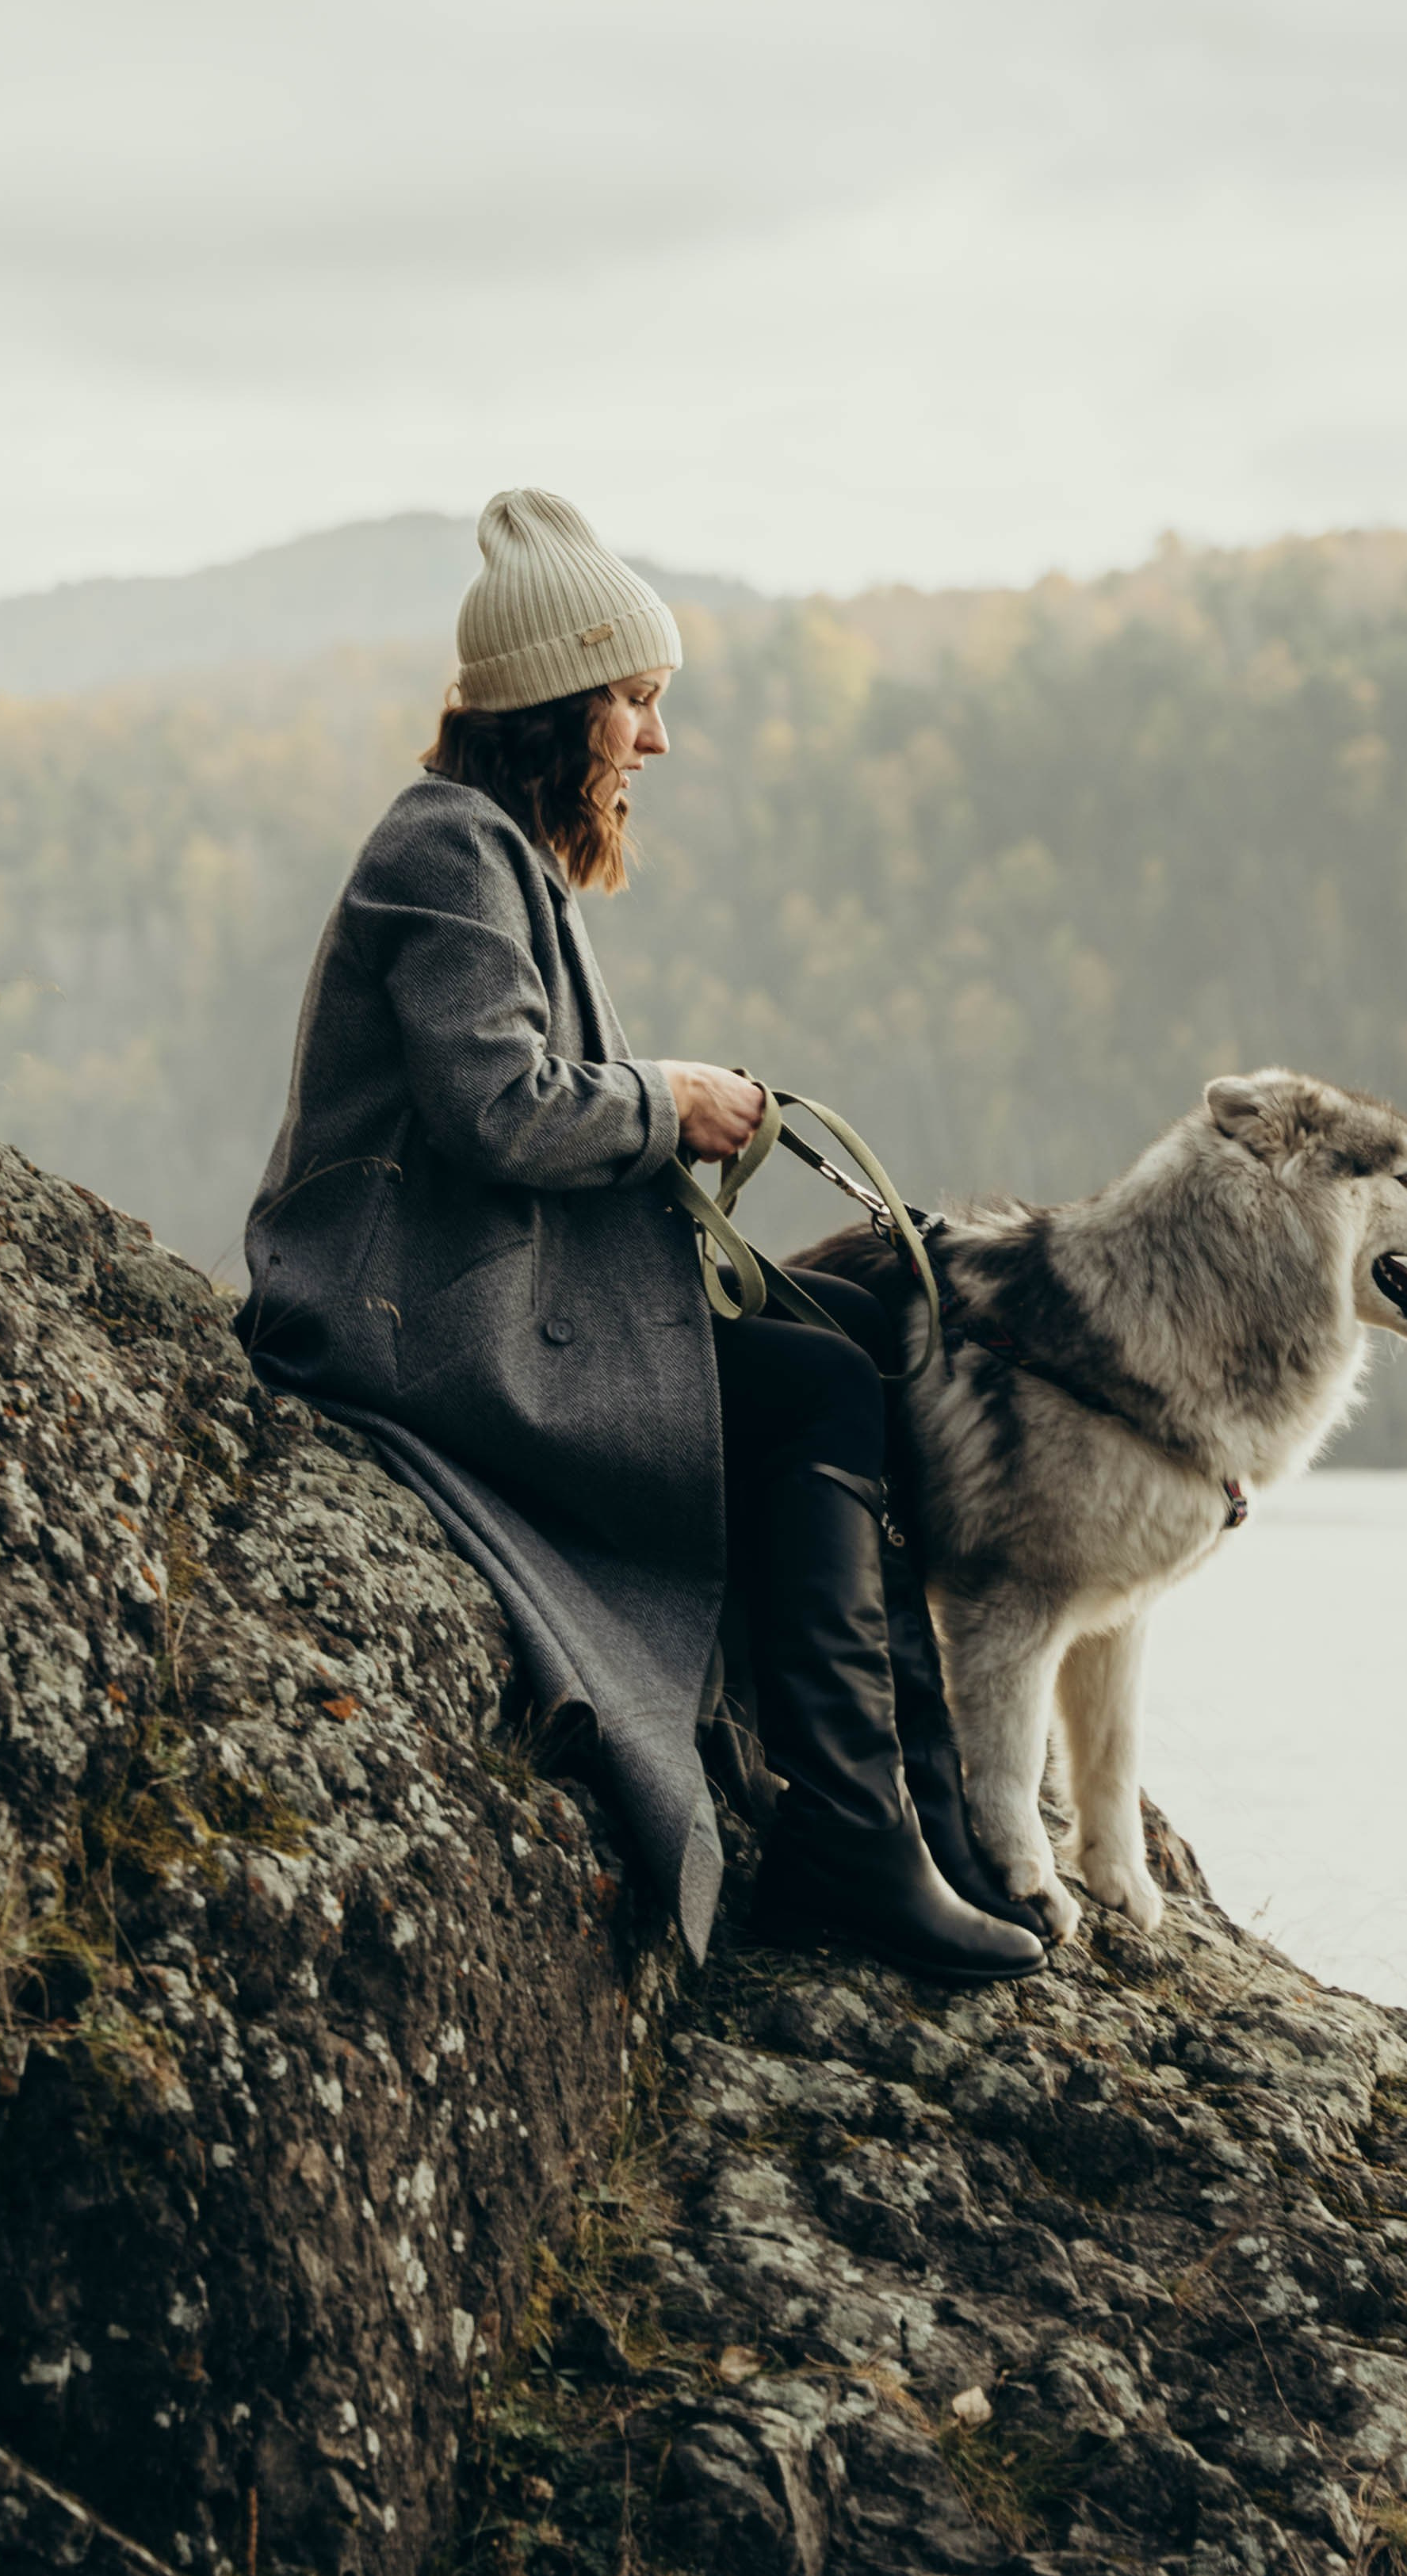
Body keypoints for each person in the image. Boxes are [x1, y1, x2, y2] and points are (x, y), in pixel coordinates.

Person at [238, 488, 1043, 1987]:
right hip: (412, 1324)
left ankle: (924, 1817)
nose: (653, 741)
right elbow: (499, 1108)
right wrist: (672, 1100)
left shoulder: (494, 853)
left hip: (475, 1301)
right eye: (636, 701)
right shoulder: (444, 850)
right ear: (557, 706)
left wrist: (669, 1104)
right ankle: (855, 1842)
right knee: (813, 1388)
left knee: (845, 1341)